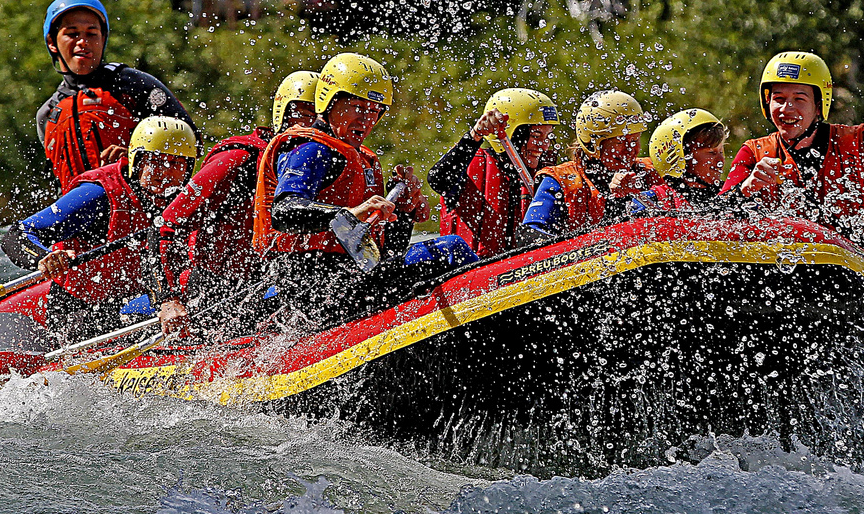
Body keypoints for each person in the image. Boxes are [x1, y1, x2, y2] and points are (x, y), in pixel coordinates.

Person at [251, 52, 463, 324]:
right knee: (450, 248)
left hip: (347, 280)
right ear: (329, 101)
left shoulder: (362, 159)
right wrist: (352, 212)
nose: (366, 120)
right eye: (357, 107)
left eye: (374, 111)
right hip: (311, 287)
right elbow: (284, 212)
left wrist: (404, 213)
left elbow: (386, 254)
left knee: (440, 253)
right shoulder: (309, 149)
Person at [719, 50, 864, 276]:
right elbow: (715, 214)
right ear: (767, 103)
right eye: (779, 99)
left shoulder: (861, 144)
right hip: (785, 273)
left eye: (799, 98)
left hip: (858, 272)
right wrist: (746, 189)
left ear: (818, 105)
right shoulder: (753, 153)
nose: (787, 109)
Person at [149, 71, 319, 338]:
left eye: (321, 118)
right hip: (208, 291)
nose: (312, 126)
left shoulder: (321, 167)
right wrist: (169, 300)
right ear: (282, 115)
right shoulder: (238, 160)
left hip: (261, 290)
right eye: (306, 115)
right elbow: (164, 227)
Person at [2, 116, 199, 343]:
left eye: (175, 164)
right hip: (80, 310)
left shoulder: (188, 200)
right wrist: (44, 257)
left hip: (143, 302)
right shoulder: (97, 195)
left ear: (189, 168)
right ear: (137, 160)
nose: (165, 172)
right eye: (155, 161)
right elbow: (18, 233)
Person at [36, 0, 196, 194]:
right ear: (52, 42)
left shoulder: (134, 85)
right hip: (83, 213)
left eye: (91, 33)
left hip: (143, 206)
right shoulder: (48, 114)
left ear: (103, 39)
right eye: (72, 34)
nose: (82, 42)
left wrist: (136, 159)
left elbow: (190, 143)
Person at [428, 88, 560, 259]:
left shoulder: (546, 177)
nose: (544, 146)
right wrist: (475, 135)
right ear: (513, 133)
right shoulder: (469, 165)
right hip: (470, 274)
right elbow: (437, 179)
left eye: (548, 136)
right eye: (536, 135)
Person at [522, 90, 659, 239]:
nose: (631, 150)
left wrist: (637, 197)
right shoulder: (559, 181)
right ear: (593, 144)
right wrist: (615, 201)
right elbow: (530, 236)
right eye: (620, 142)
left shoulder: (652, 171)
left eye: (635, 141)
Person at [645, 108, 732, 207]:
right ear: (682, 156)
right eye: (711, 152)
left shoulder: (730, 197)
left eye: (721, 151)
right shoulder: (653, 201)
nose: (720, 160)